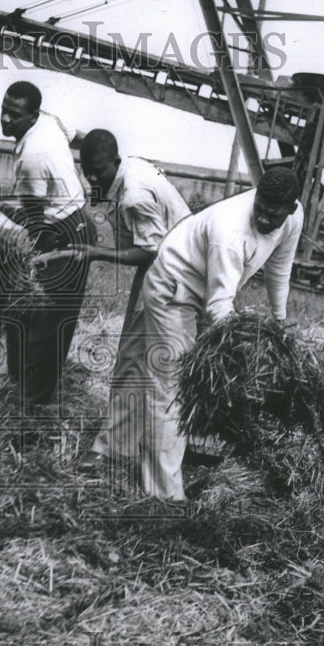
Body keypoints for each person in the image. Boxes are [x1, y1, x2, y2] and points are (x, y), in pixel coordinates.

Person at [137, 166, 304, 500]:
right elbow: (220, 306)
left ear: (291, 208)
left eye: (275, 215)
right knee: (170, 387)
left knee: (187, 381)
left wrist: (279, 323)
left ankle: (146, 452)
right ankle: (164, 495)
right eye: (261, 211)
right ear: (254, 197)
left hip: (205, 289)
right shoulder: (229, 231)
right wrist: (248, 350)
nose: (266, 221)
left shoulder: (294, 219)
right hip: (174, 287)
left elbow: (279, 269)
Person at [50, 129, 190, 478]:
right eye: (87, 170)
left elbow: (150, 251)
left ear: (114, 162)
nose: (92, 177)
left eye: (99, 170)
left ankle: (111, 448)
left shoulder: (133, 196)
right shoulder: (124, 172)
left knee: (133, 358)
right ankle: (132, 440)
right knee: (146, 358)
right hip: (174, 261)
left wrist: (96, 253)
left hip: (174, 269)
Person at [0, 81, 95, 406]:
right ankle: (19, 378)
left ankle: (32, 403)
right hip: (64, 219)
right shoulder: (50, 120)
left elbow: (34, 226)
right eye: (4, 111)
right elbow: (81, 137)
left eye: (15, 115)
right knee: (20, 308)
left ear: (32, 114)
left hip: (67, 234)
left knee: (47, 319)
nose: (6, 119)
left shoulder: (31, 159)